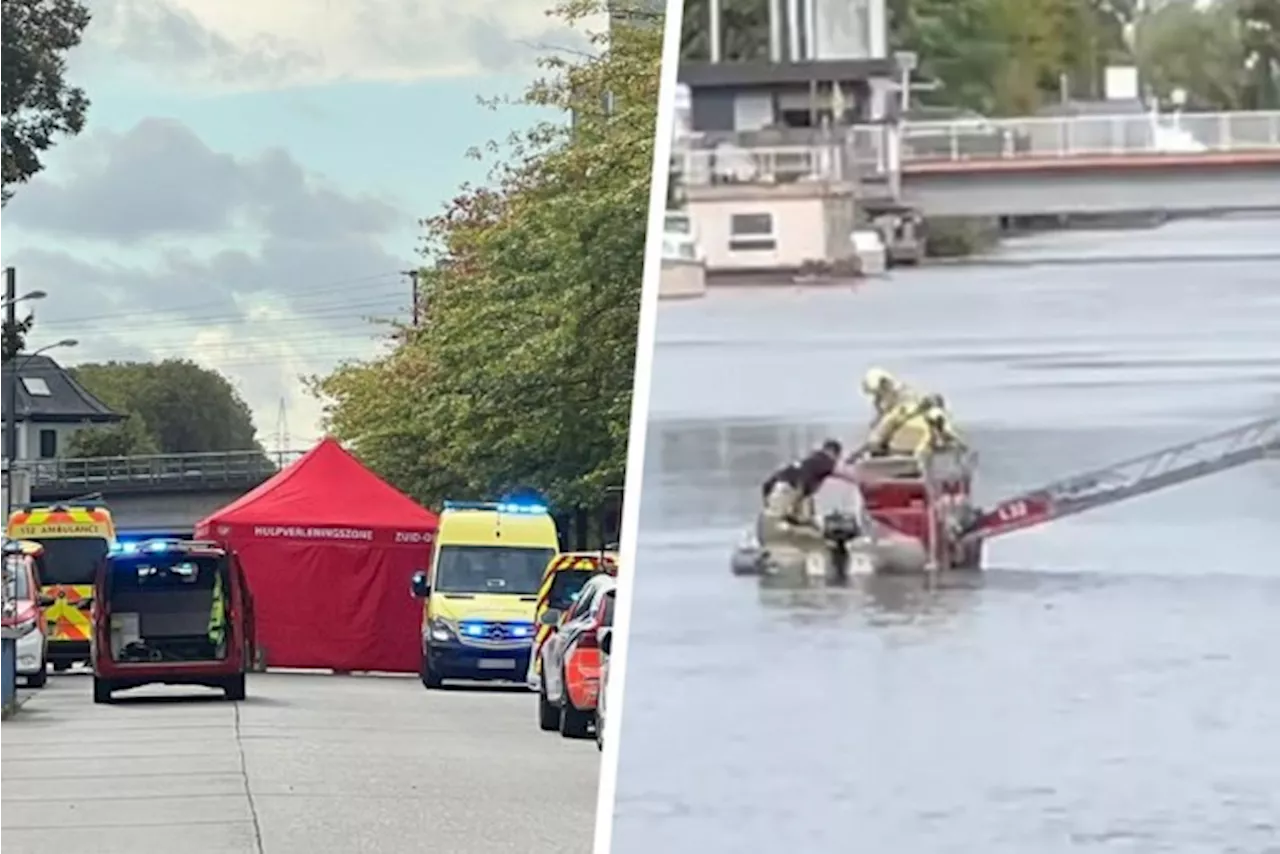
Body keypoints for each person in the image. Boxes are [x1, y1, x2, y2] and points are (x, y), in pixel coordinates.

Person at [756, 441, 842, 572]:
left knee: (785, 525)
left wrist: (766, 503)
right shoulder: (824, 462)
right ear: (835, 454)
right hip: (790, 496)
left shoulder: (801, 465)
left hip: (776, 505)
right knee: (815, 538)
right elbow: (806, 485)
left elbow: (766, 485)